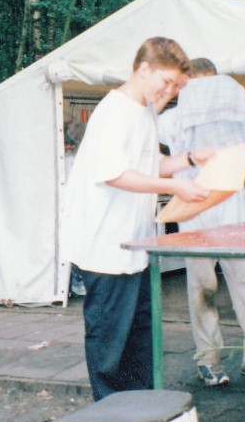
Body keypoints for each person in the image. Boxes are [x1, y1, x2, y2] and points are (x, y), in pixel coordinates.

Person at [61, 37, 214, 401]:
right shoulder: (114, 112)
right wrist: (175, 188)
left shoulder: (143, 112)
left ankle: (141, 411)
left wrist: (191, 159)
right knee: (111, 346)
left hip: (134, 247)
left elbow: (149, 165)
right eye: (166, 81)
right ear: (144, 69)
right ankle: (112, 415)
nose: (169, 91)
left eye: (175, 86)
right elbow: (115, 174)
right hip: (105, 248)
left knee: (139, 339)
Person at [157, 58, 245, 386]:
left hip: (235, 219)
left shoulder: (233, 116)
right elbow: (143, 126)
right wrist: (172, 91)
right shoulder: (174, 119)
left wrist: (244, 97)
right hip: (194, 218)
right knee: (202, 292)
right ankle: (208, 360)